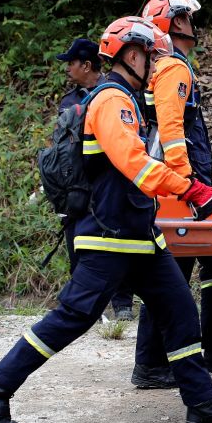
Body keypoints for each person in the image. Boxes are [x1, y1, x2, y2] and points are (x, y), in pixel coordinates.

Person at [0, 16, 212, 423]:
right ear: (132, 55)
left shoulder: (129, 101)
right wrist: (191, 190)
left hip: (138, 236)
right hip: (109, 236)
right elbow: (135, 166)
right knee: (72, 318)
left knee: (178, 312)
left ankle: (204, 406)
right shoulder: (111, 102)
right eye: (153, 57)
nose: (158, 67)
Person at [129, 0, 212, 390]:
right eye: (184, 16)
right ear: (170, 23)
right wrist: (189, 187)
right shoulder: (172, 68)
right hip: (180, 185)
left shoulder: (174, 66)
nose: (191, 21)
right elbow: (171, 132)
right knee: (172, 273)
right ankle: (151, 364)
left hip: (185, 182)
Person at [55, 39, 135, 321]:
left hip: (108, 183)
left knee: (116, 238)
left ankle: (122, 304)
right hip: (76, 186)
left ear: (86, 65)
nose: (67, 68)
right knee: (77, 243)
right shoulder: (68, 102)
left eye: (71, 63)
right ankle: (81, 309)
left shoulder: (116, 94)